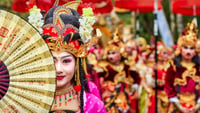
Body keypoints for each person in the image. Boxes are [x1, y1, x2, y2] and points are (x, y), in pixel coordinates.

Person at [42, 1, 106, 113]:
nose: (58, 69)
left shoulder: (93, 106)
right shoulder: (28, 101)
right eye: (52, 61)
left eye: (66, 61)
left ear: (77, 62)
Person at [95, 29, 141, 113]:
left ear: (120, 55)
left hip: (125, 96)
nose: (110, 56)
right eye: (109, 53)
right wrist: (103, 92)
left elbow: (137, 78)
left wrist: (134, 88)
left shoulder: (127, 67)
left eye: (113, 53)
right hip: (110, 97)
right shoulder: (105, 67)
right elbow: (99, 82)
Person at [164, 21, 200, 113]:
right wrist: (180, 107)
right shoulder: (173, 68)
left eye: (191, 48)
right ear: (180, 49)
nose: (188, 51)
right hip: (177, 107)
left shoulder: (198, 68)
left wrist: (197, 107)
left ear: (195, 51)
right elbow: (168, 87)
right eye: (185, 48)